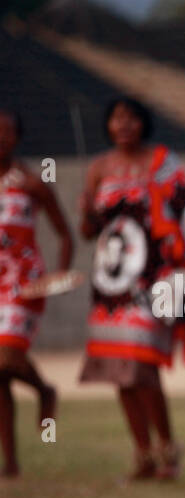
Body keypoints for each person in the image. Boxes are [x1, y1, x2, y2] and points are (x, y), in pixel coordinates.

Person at [78, 97, 185, 480]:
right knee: (120, 371)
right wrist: (85, 211)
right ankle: (142, 454)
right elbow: (88, 232)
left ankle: (168, 450)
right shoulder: (98, 168)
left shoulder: (162, 162)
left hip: (154, 279)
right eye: (117, 118)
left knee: (143, 366)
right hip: (111, 283)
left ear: (143, 123)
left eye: (131, 118)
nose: (124, 125)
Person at [0, 107, 72, 478]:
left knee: (7, 359)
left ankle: (44, 390)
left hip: (23, 282)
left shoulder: (31, 182)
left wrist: (59, 274)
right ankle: (10, 462)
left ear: (17, 137)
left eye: (6, 131)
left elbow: (64, 232)